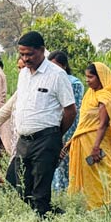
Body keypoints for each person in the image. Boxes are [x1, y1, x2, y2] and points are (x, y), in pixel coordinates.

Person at [6, 32, 76, 217]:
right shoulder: (23, 75)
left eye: (29, 54)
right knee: (14, 179)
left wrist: (55, 135)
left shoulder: (57, 75)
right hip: (24, 140)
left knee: (40, 190)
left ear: (42, 50)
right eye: (22, 54)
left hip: (46, 139)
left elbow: (70, 110)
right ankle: (55, 215)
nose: (25, 58)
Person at [64, 62, 111, 209]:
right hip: (83, 143)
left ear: (101, 78)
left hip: (96, 144)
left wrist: (95, 147)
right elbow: (83, 123)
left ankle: (100, 211)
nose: (87, 80)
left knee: (99, 179)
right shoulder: (90, 94)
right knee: (86, 180)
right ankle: (85, 210)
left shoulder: (105, 97)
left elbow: (103, 124)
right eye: (86, 77)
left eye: (91, 77)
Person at [47, 50, 84, 192]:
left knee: (67, 162)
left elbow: (75, 109)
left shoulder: (74, 83)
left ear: (64, 66)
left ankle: (69, 193)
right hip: (53, 126)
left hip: (68, 127)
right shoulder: (50, 80)